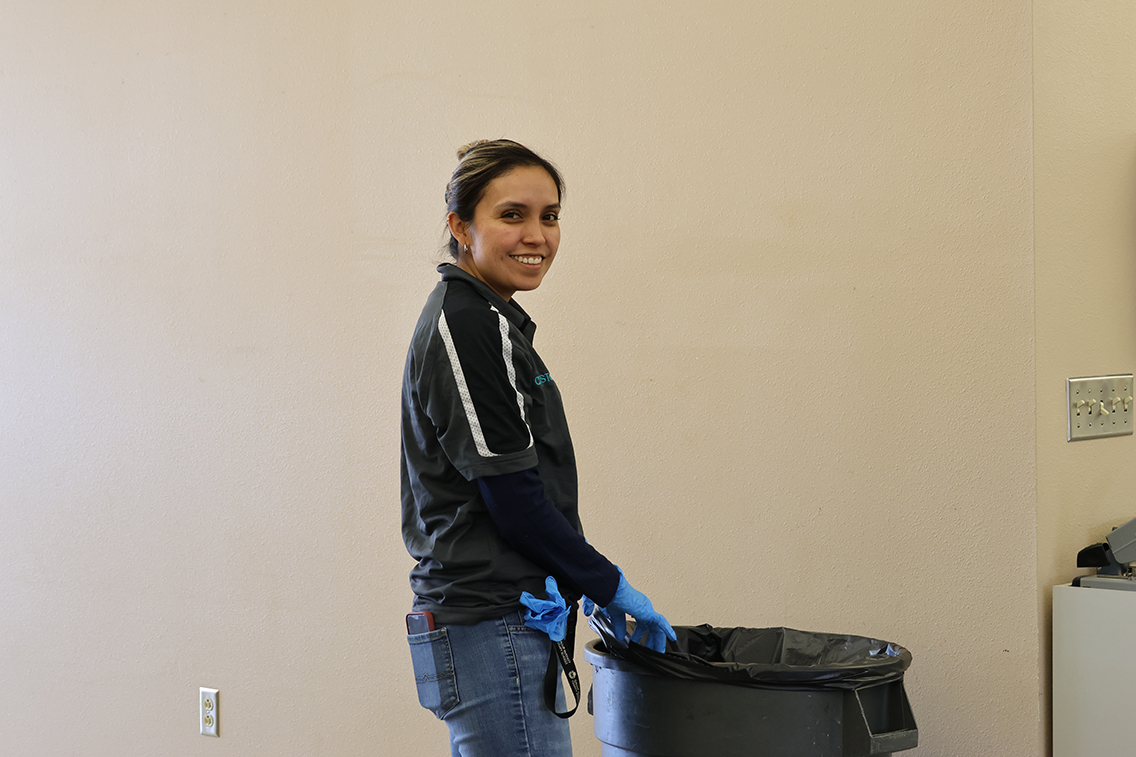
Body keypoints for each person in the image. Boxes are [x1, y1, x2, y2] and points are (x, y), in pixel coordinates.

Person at [400, 139, 675, 757]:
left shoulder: (494, 321)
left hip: (512, 616)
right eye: (512, 215)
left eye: (549, 216)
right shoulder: (467, 325)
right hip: (491, 620)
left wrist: (580, 582)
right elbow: (515, 500)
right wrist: (606, 583)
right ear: (459, 226)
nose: (537, 235)